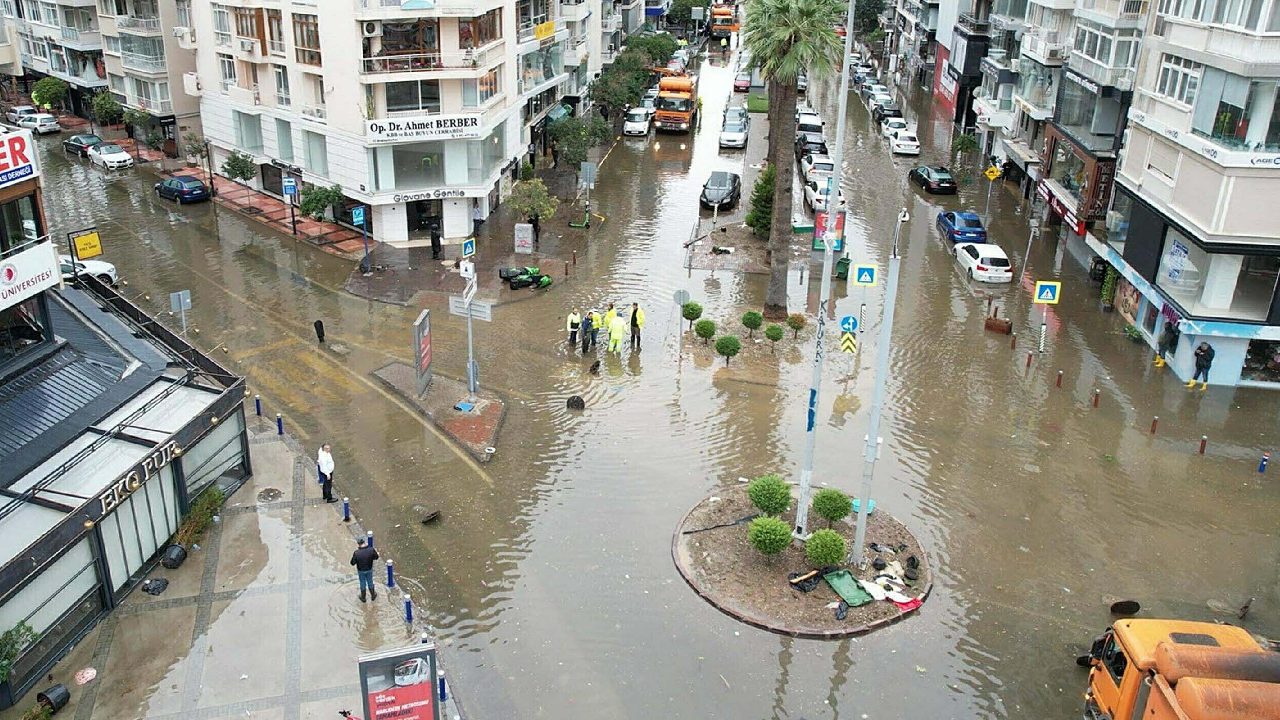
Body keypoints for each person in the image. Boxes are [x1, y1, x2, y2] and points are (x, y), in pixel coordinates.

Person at [350, 537, 379, 603]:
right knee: (370, 581)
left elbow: (352, 563)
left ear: (358, 544)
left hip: (361, 571)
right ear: (364, 542)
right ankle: (373, 595)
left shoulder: (356, 553)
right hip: (369, 569)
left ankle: (363, 597)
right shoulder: (371, 550)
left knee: (362, 582)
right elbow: (376, 557)